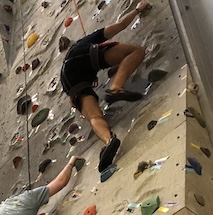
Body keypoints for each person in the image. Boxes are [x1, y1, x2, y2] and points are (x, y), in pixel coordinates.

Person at [59, 1, 151, 173]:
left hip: (69, 82)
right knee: (136, 51)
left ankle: (109, 140)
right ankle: (116, 88)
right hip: (84, 57)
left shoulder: (65, 66)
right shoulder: (84, 42)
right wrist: (138, 9)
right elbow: (121, 24)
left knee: (94, 116)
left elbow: (73, 99)